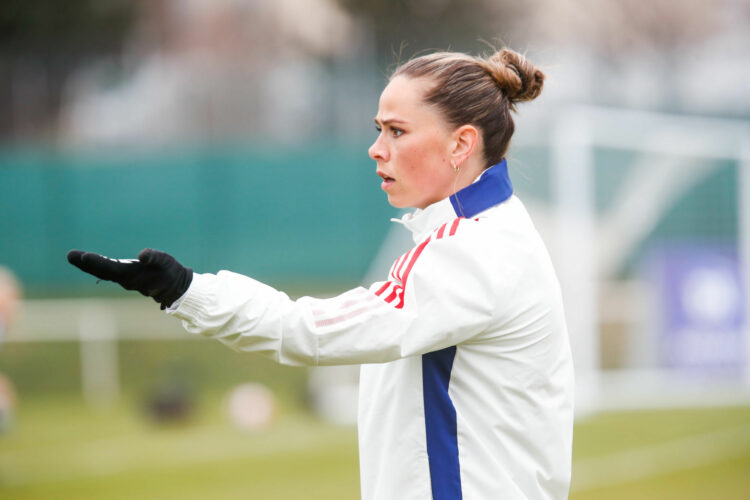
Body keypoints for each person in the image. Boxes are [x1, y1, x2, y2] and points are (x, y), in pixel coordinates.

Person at [67, 47, 574, 499]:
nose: (377, 149)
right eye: (379, 130)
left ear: (461, 145)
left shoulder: (471, 249)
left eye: (397, 131)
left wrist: (187, 290)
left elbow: (307, 332)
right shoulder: (488, 230)